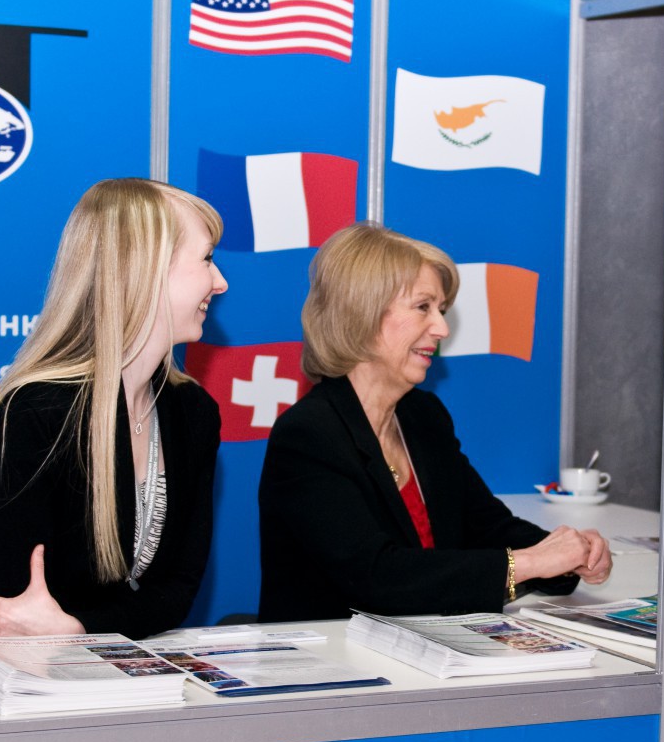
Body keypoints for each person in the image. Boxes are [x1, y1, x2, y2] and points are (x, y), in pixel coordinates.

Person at [258, 222, 612, 622]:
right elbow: (377, 576)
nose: (442, 329)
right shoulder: (308, 435)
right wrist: (530, 563)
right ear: (362, 313)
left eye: (441, 311)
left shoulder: (423, 415)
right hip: (333, 654)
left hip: (422, 643)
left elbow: (487, 525)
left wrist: (569, 553)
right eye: (423, 307)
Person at [0, 178, 227, 641]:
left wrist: (78, 629)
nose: (220, 282)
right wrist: (77, 632)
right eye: (206, 259)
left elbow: (178, 591)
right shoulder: (34, 414)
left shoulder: (193, 412)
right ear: (143, 269)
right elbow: (20, 621)